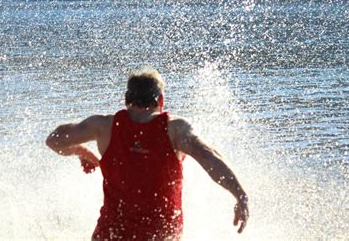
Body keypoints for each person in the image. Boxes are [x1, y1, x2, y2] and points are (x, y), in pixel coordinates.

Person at [46, 68, 249, 240]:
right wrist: (240, 195)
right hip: (161, 235)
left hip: (111, 234)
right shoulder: (175, 130)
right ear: (161, 100)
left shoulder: (103, 127)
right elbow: (209, 157)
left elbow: (54, 140)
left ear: (126, 100)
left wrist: (82, 152)